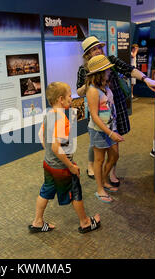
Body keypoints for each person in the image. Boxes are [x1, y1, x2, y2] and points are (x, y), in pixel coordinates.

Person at [76, 36, 155, 186]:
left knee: (115, 141)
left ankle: (112, 172)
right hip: (98, 110)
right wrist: (91, 79)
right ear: (87, 54)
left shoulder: (112, 60)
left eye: (99, 48)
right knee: (96, 141)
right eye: (93, 49)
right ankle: (92, 166)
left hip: (116, 107)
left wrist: (146, 79)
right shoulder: (83, 69)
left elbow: (130, 70)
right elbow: (79, 91)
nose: (97, 51)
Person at [29, 82, 101, 234]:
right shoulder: (62, 119)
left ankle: (37, 221)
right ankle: (85, 222)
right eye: (69, 96)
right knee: (76, 192)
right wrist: (70, 166)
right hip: (62, 168)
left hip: (49, 164)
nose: (71, 98)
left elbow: (41, 135)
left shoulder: (49, 114)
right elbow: (56, 147)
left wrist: (49, 153)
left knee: (46, 191)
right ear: (61, 99)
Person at [85, 55, 124, 203]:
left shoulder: (105, 86)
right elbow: (94, 116)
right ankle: (100, 188)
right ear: (100, 72)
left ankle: (105, 180)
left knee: (114, 155)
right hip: (99, 131)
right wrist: (110, 133)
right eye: (107, 69)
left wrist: (113, 129)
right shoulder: (93, 91)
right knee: (99, 159)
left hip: (110, 127)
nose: (109, 71)